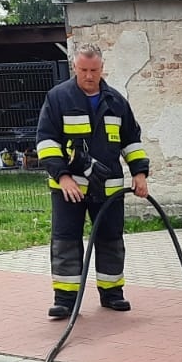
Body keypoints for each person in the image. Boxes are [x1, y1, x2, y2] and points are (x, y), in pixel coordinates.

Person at [35, 42, 151, 317]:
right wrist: (63, 177)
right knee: (66, 242)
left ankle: (112, 294)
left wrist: (140, 173)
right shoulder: (58, 98)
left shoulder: (116, 102)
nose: (89, 75)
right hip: (69, 189)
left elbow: (131, 141)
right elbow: (46, 142)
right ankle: (65, 301)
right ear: (74, 67)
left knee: (111, 240)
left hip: (108, 188)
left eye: (94, 70)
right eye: (83, 69)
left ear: (102, 68)